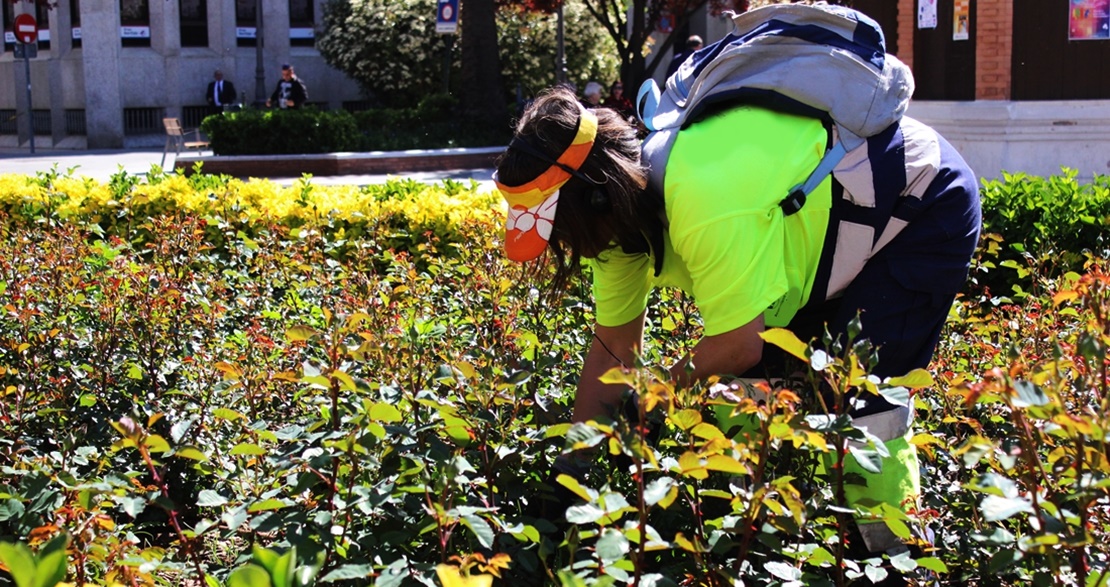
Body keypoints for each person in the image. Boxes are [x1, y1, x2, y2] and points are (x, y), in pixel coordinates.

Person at [493, 86, 980, 582]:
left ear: (597, 195)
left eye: (564, 230)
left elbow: (738, 344)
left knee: (860, 402)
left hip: (916, 204)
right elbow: (612, 352)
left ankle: (904, 561)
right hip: (825, 239)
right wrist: (570, 471)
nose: (570, 249)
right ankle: (758, 551)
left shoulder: (702, 192)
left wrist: (654, 394)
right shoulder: (617, 229)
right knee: (744, 398)